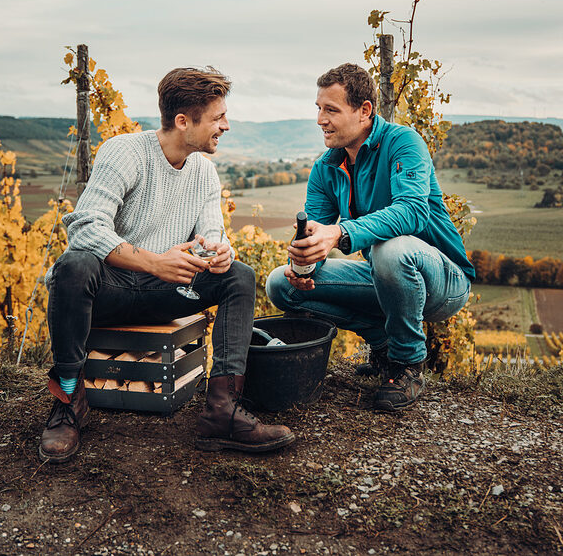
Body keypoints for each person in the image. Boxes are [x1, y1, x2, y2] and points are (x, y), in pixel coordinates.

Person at [40, 66, 294, 463]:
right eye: (217, 117)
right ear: (182, 121)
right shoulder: (126, 152)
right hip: (111, 288)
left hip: (166, 291)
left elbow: (212, 232)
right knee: (73, 266)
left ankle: (222, 411)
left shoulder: (204, 172)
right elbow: (86, 228)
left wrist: (219, 251)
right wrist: (154, 262)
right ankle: (69, 401)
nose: (225, 126)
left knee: (239, 275)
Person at [266, 63, 474, 413]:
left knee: (390, 249)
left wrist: (341, 232)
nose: (320, 119)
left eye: (331, 110)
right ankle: (382, 343)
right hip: (383, 279)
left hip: (443, 280)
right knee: (279, 285)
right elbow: (317, 230)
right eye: (318, 109)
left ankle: (407, 364)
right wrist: (303, 261)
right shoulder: (325, 168)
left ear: (364, 111)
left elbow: (412, 212)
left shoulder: (403, 143)